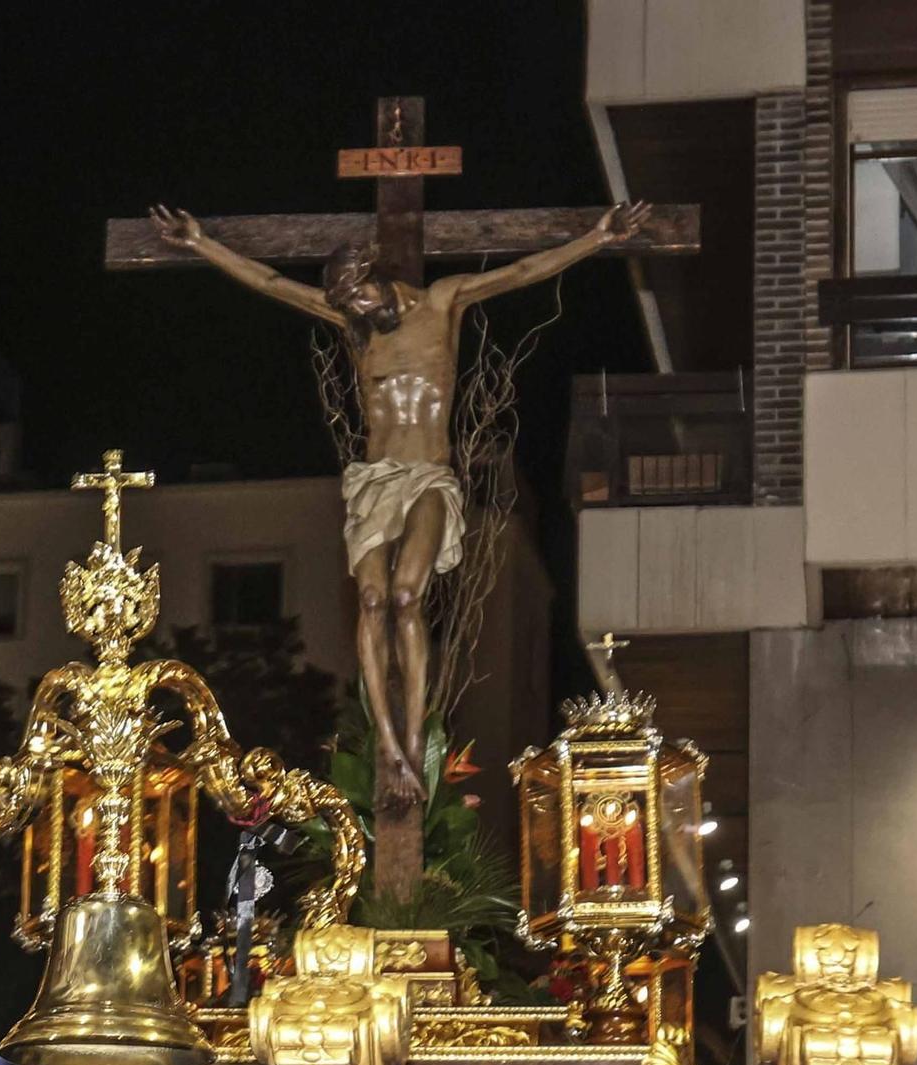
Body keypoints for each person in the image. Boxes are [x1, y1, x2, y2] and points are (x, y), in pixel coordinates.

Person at [149, 199, 648, 801]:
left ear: (376, 277)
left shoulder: (442, 301)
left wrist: (596, 239)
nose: (354, 312)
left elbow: (521, 272)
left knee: (408, 596)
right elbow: (272, 282)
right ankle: (387, 744)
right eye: (344, 306)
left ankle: (413, 736)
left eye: (359, 298)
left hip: (429, 476)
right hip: (375, 480)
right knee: (372, 596)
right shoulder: (352, 324)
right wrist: (201, 242)